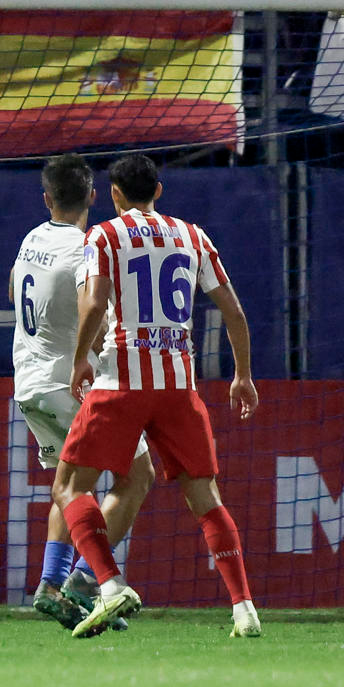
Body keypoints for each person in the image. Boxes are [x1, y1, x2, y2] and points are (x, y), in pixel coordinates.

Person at [51, 152, 261, 638]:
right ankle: (243, 607)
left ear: (116, 195)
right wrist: (242, 375)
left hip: (121, 382)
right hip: (177, 386)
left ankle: (107, 585)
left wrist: (81, 358)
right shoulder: (193, 235)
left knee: (70, 487)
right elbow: (233, 312)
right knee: (206, 498)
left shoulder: (103, 235)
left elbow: (96, 303)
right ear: (159, 191)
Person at [10, 153, 154, 630]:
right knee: (138, 475)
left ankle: (51, 585)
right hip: (66, 382)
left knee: (70, 487)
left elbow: (14, 293)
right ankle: (89, 581)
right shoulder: (88, 244)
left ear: (47, 198)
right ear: (94, 197)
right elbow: (92, 306)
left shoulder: (33, 237)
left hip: (28, 383)